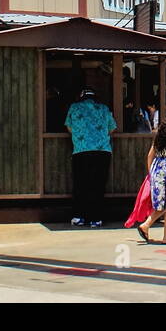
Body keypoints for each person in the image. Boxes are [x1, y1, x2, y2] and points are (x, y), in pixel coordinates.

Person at [64, 87, 117, 228]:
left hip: (81, 150)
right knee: (98, 185)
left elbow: (68, 127)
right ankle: (96, 219)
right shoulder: (104, 108)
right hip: (102, 151)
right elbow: (112, 128)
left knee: (81, 184)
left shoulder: (74, 108)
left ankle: (79, 216)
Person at [137, 116, 166, 244]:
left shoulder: (157, 141)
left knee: (161, 205)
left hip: (156, 173)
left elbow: (149, 156)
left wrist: (150, 174)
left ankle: (146, 225)